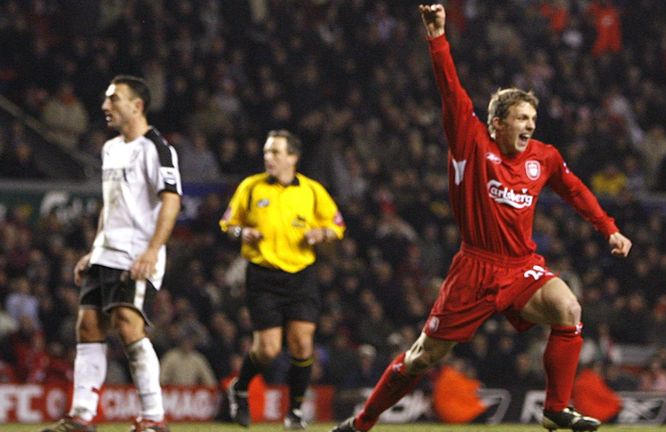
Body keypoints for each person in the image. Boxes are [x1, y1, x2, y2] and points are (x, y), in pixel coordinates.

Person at [331, 4, 632, 432]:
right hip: (475, 268)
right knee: (423, 356)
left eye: (533, 118)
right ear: (496, 123)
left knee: (568, 307)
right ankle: (362, 422)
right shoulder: (470, 141)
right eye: (521, 118)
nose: (530, 126)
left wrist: (610, 229)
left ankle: (554, 409)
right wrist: (437, 38)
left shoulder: (543, 157)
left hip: (522, 264)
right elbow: (451, 90)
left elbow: (575, 190)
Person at [40, 75, 182, 432]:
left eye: (114, 99)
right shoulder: (110, 148)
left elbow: (171, 201)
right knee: (87, 326)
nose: (105, 106)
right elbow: (112, 202)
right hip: (107, 251)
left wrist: (152, 250)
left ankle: (153, 418)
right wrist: (94, 248)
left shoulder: (158, 148)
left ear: (137, 105)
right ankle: (82, 416)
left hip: (136, 253)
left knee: (127, 324)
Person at [219, 129, 346, 430]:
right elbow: (227, 223)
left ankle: (296, 412)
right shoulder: (251, 187)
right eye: (266, 152)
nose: (268, 158)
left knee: (302, 343)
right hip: (263, 276)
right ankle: (240, 387)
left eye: (275, 152)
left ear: (293, 157)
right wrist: (243, 232)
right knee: (268, 349)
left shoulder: (312, 191)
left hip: (301, 275)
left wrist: (322, 233)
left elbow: (337, 223)